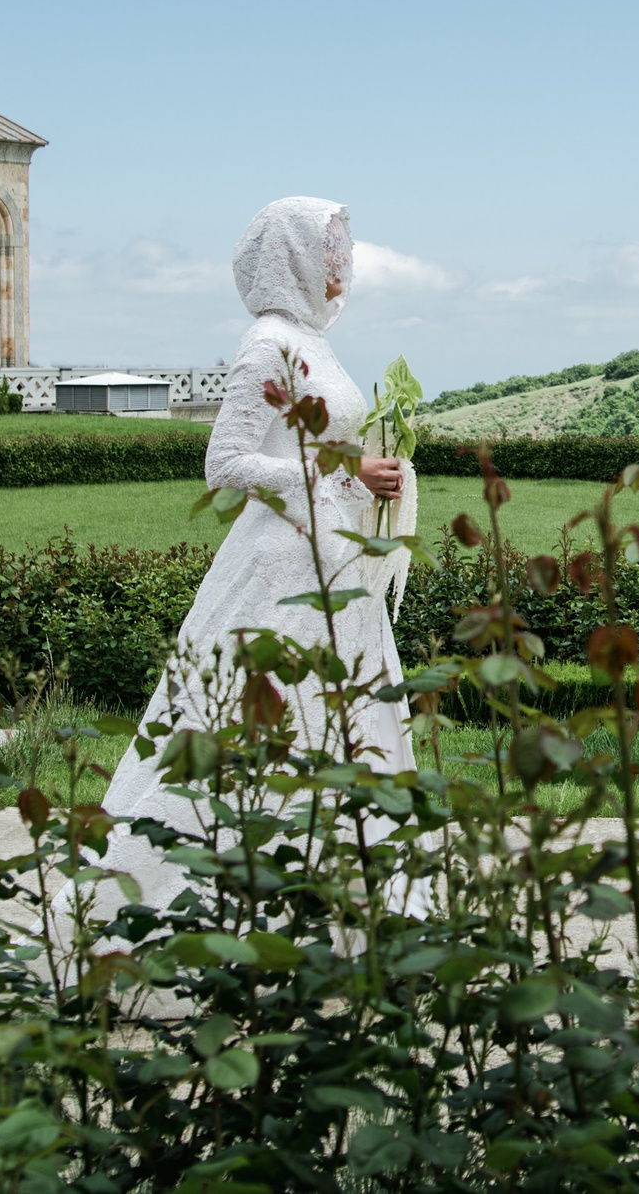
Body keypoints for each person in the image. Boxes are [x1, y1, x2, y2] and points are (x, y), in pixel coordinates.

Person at [98, 196, 421, 911]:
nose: (344, 261)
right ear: (294, 256)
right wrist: (344, 473)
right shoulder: (266, 345)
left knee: (340, 720)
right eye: (330, 247)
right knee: (267, 724)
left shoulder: (312, 343)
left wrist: (374, 469)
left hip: (332, 559)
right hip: (280, 566)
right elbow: (228, 465)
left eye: (342, 246)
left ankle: (344, 903)